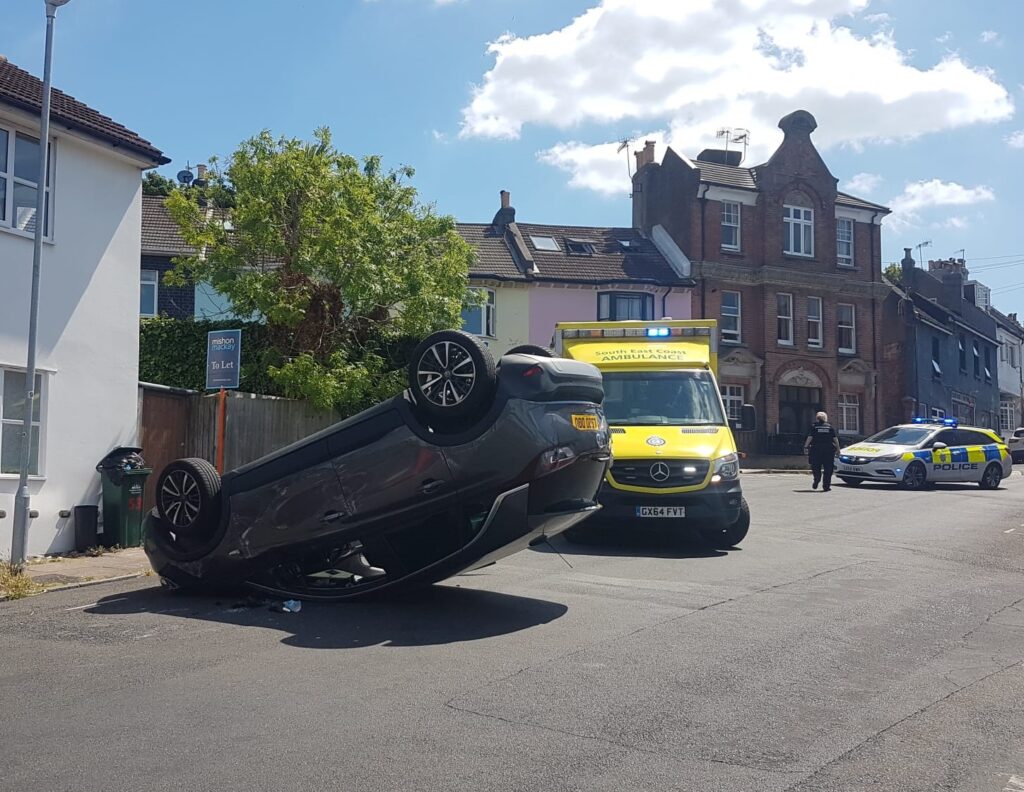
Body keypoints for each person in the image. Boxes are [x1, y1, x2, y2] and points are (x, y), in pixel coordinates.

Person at [803, 411, 841, 491]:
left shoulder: (814, 427)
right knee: (828, 468)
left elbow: (810, 437)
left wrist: (806, 446)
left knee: (816, 466)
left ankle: (817, 478)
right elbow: (835, 439)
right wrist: (838, 449)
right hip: (828, 450)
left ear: (817, 418)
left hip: (816, 449)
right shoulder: (829, 427)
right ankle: (826, 486)